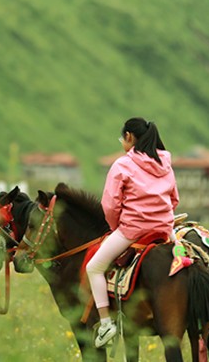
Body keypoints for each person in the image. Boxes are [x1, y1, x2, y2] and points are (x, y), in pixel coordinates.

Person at [87, 117, 180, 348]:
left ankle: (105, 324)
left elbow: (110, 205)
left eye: (122, 138)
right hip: (165, 230)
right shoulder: (165, 163)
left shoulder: (122, 165)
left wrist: (115, 227)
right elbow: (174, 200)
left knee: (94, 267)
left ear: (129, 136)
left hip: (133, 231)